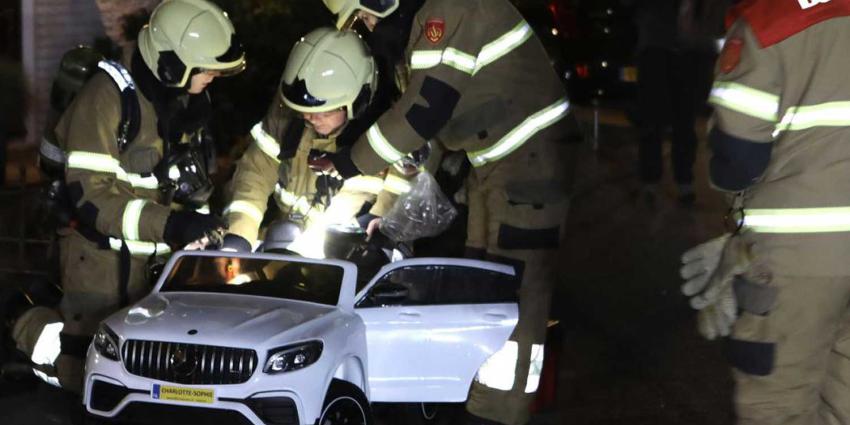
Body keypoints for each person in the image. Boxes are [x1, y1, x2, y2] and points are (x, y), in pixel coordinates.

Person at [320, 1, 577, 424]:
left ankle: (499, 411)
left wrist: (350, 161)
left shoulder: (449, 10)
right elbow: (435, 127)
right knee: (482, 280)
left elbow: (424, 109)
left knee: (516, 295)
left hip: (531, 166)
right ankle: (477, 395)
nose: (366, 28)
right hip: (500, 162)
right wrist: (395, 219)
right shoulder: (429, 18)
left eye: (363, 16)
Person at [7, 0, 245, 393]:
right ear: (171, 64)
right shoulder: (104, 100)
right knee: (85, 373)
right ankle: (20, 320)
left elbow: (183, 181)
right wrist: (172, 225)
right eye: (206, 70)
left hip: (152, 260)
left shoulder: (178, 101)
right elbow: (92, 197)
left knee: (143, 370)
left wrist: (203, 230)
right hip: (99, 259)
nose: (212, 78)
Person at [680, 1, 850, 423]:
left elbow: (739, 156)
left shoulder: (770, 21)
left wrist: (737, 221)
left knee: (778, 407)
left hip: (797, 262)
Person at [220, 27, 387, 256]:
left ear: (357, 101)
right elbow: (256, 172)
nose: (309, 118)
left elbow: (360, 197)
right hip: (289, 240)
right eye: (303, 111)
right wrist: (239, 237)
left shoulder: (380, 138)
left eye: (323, 112)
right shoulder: (289, 118)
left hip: (350, 251)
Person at [622, 0, 704, 205]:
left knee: (683, 122)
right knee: (653, 121)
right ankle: (652, 182)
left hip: (685, 51)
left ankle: (683, 183)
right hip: (656, 50)